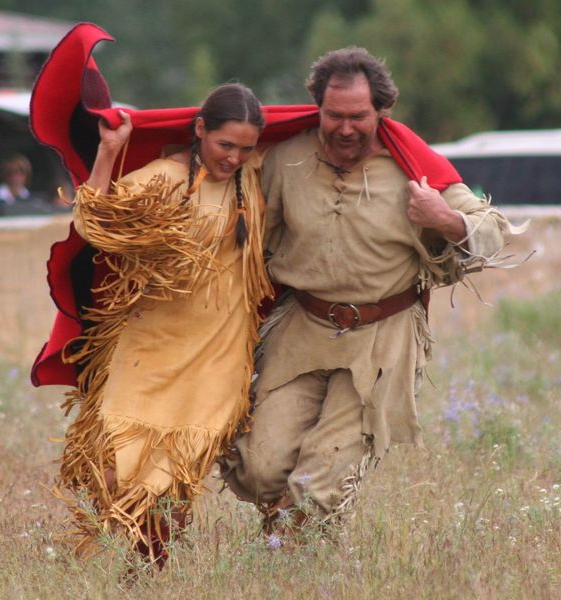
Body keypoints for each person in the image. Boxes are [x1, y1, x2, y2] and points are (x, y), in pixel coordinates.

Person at [221, 48, 521, 537]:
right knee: (257, 468)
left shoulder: (414, 170)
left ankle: (297, 554)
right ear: (317, 108)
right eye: (333, 116)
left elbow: (493, 231)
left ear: (381, 111)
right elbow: (241, 225)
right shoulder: (282, 159)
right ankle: (287, 529)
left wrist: (443, 218)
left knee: (318, 484)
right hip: (300, 330)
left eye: (358, 117)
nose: (344, 128)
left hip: (383, 338)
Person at [52, 82, 271, 566]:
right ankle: (89, 564)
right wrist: (110, 152)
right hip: (149, 346)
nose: (234, 157)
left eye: (246, 148)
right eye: (225, 145)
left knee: (174, 485)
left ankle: (146, 577)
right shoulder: (166, 179)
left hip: (217, 353)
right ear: (199, 130)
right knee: (110, 472)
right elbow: (95, 224)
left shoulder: (254, 179)